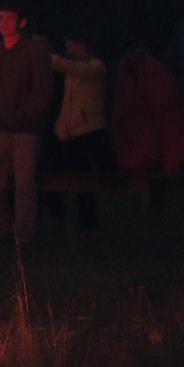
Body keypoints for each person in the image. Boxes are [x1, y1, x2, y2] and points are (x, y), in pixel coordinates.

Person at [0, 5, 53, 245]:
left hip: (25, 131)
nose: (4, 23)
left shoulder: (32, 52)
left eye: (10, 19)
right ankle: (4, 230)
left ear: (21, 23)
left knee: (24, 186)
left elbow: (42, 91)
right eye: (1, 18)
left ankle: (23, 239)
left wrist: (24, 115)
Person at [45, 33, 112, 231]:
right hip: (73, 133)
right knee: (76, 178)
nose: (69, 51)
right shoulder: (73, 72)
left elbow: (76, 68)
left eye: (72, 47)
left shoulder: (96, 67)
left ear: (84, 46)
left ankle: (90, 224)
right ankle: (82, 223)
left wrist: (52, 59)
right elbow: (68, 103)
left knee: (95, 177)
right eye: (67, 48)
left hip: (92, 131)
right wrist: (61, 127)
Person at [110, 41, 184, 175]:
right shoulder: (124, 69)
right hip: (136, 120)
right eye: (130, 50)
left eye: (136, 48)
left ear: (144, 49)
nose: (133, 53)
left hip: (154, 117)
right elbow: (123, 97)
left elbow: (165, 96)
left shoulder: (155, 68)